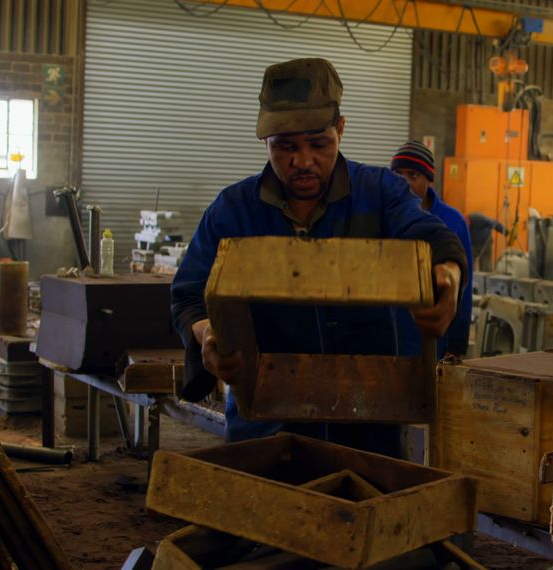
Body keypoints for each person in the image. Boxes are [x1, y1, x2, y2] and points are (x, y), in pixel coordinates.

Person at [170, 58, 468, 454]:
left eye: (319, 144)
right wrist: (208, 334)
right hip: (265, 426)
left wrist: (448, 275)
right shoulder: (233, 211)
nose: (303, 161)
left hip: (370, 426)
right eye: (285, 147)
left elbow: (430, 235)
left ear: (340, 130)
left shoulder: (380, 194)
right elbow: (189, 293)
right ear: (265, 143)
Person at [391, 140, 474, 358]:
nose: (405, 182)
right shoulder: (387, 216)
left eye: (413, 175)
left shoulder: (453, 221)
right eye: (398, 174)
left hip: (432, 332)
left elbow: (464, 289)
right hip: (393, 335)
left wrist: (456, 345)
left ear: (429, 180)